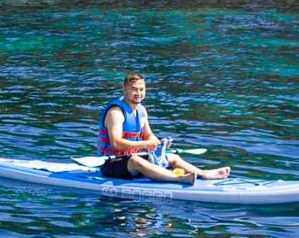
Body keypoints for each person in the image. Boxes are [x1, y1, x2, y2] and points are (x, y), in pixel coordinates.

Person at [97, 73, 231, 184]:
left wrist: (157, 143)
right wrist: (146, 144)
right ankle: (178, 178)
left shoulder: (141, 111)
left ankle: (203, 173)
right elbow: (116, 144)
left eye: (141, 89)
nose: (138, 93)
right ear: (124, 89)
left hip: (132, 158)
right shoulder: (116, 112)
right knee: (136, 161)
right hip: (111, 163)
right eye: (134, 89)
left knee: (171, 157)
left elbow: (148, 135)